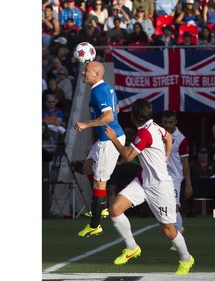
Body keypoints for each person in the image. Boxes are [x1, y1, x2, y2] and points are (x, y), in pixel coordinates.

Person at [104, 99, 195, 275]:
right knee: (115, 209)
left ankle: (186, 258)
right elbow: (168, 138)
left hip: (160, 187)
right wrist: (166, 155)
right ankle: (132, 247)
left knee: (169, 231)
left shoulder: (145, 132)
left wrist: (114, 139)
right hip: (143, 181)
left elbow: (128, 156)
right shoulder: (154, 126)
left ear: (134, 117)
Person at [75, 61, 126, 238]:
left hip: (109, 139)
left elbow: (109, 115)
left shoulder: (99, 90)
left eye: (86, 71)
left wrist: (86, 124)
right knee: (88, 167)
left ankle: (95, 224)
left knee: (99, 181)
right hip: (105, 137)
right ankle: (101, 205)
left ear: (96, 74)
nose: (83, 73)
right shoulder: (103, 88)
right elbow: (117, 108)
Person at [161, 110, 193, 251]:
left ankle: (178, 235)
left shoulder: (181, 138)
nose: (167, 125)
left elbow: (185, 163)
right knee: (166, 209)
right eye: (165, 122)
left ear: (175, 122)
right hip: (160, 176)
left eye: (170, 122)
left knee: (173, 207)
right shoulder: (158, 134)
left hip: (174, 177)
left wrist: (188, 183)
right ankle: (178, 231)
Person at [186, 146, 215, 216]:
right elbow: (187, 176)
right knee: (188, 190)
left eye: (205, 153)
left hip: (210, 188)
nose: (203, 155)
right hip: (196, 188)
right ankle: (191, 211)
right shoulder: (192, 165)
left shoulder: (213, 165)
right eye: (201, 153)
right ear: (198, 154)